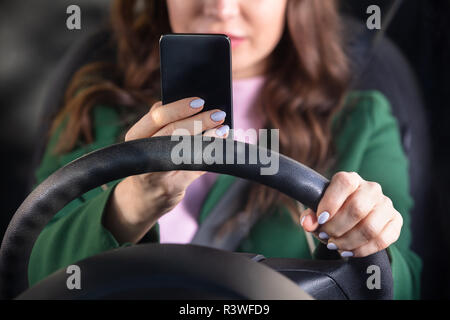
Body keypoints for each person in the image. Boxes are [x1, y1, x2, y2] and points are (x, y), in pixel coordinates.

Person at [29, 0, 421, 299]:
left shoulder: (361, 120)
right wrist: (131, 203)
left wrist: (369, 238)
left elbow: (402, 284)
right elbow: (37, 274)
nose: (222, 8)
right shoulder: (96, 106)